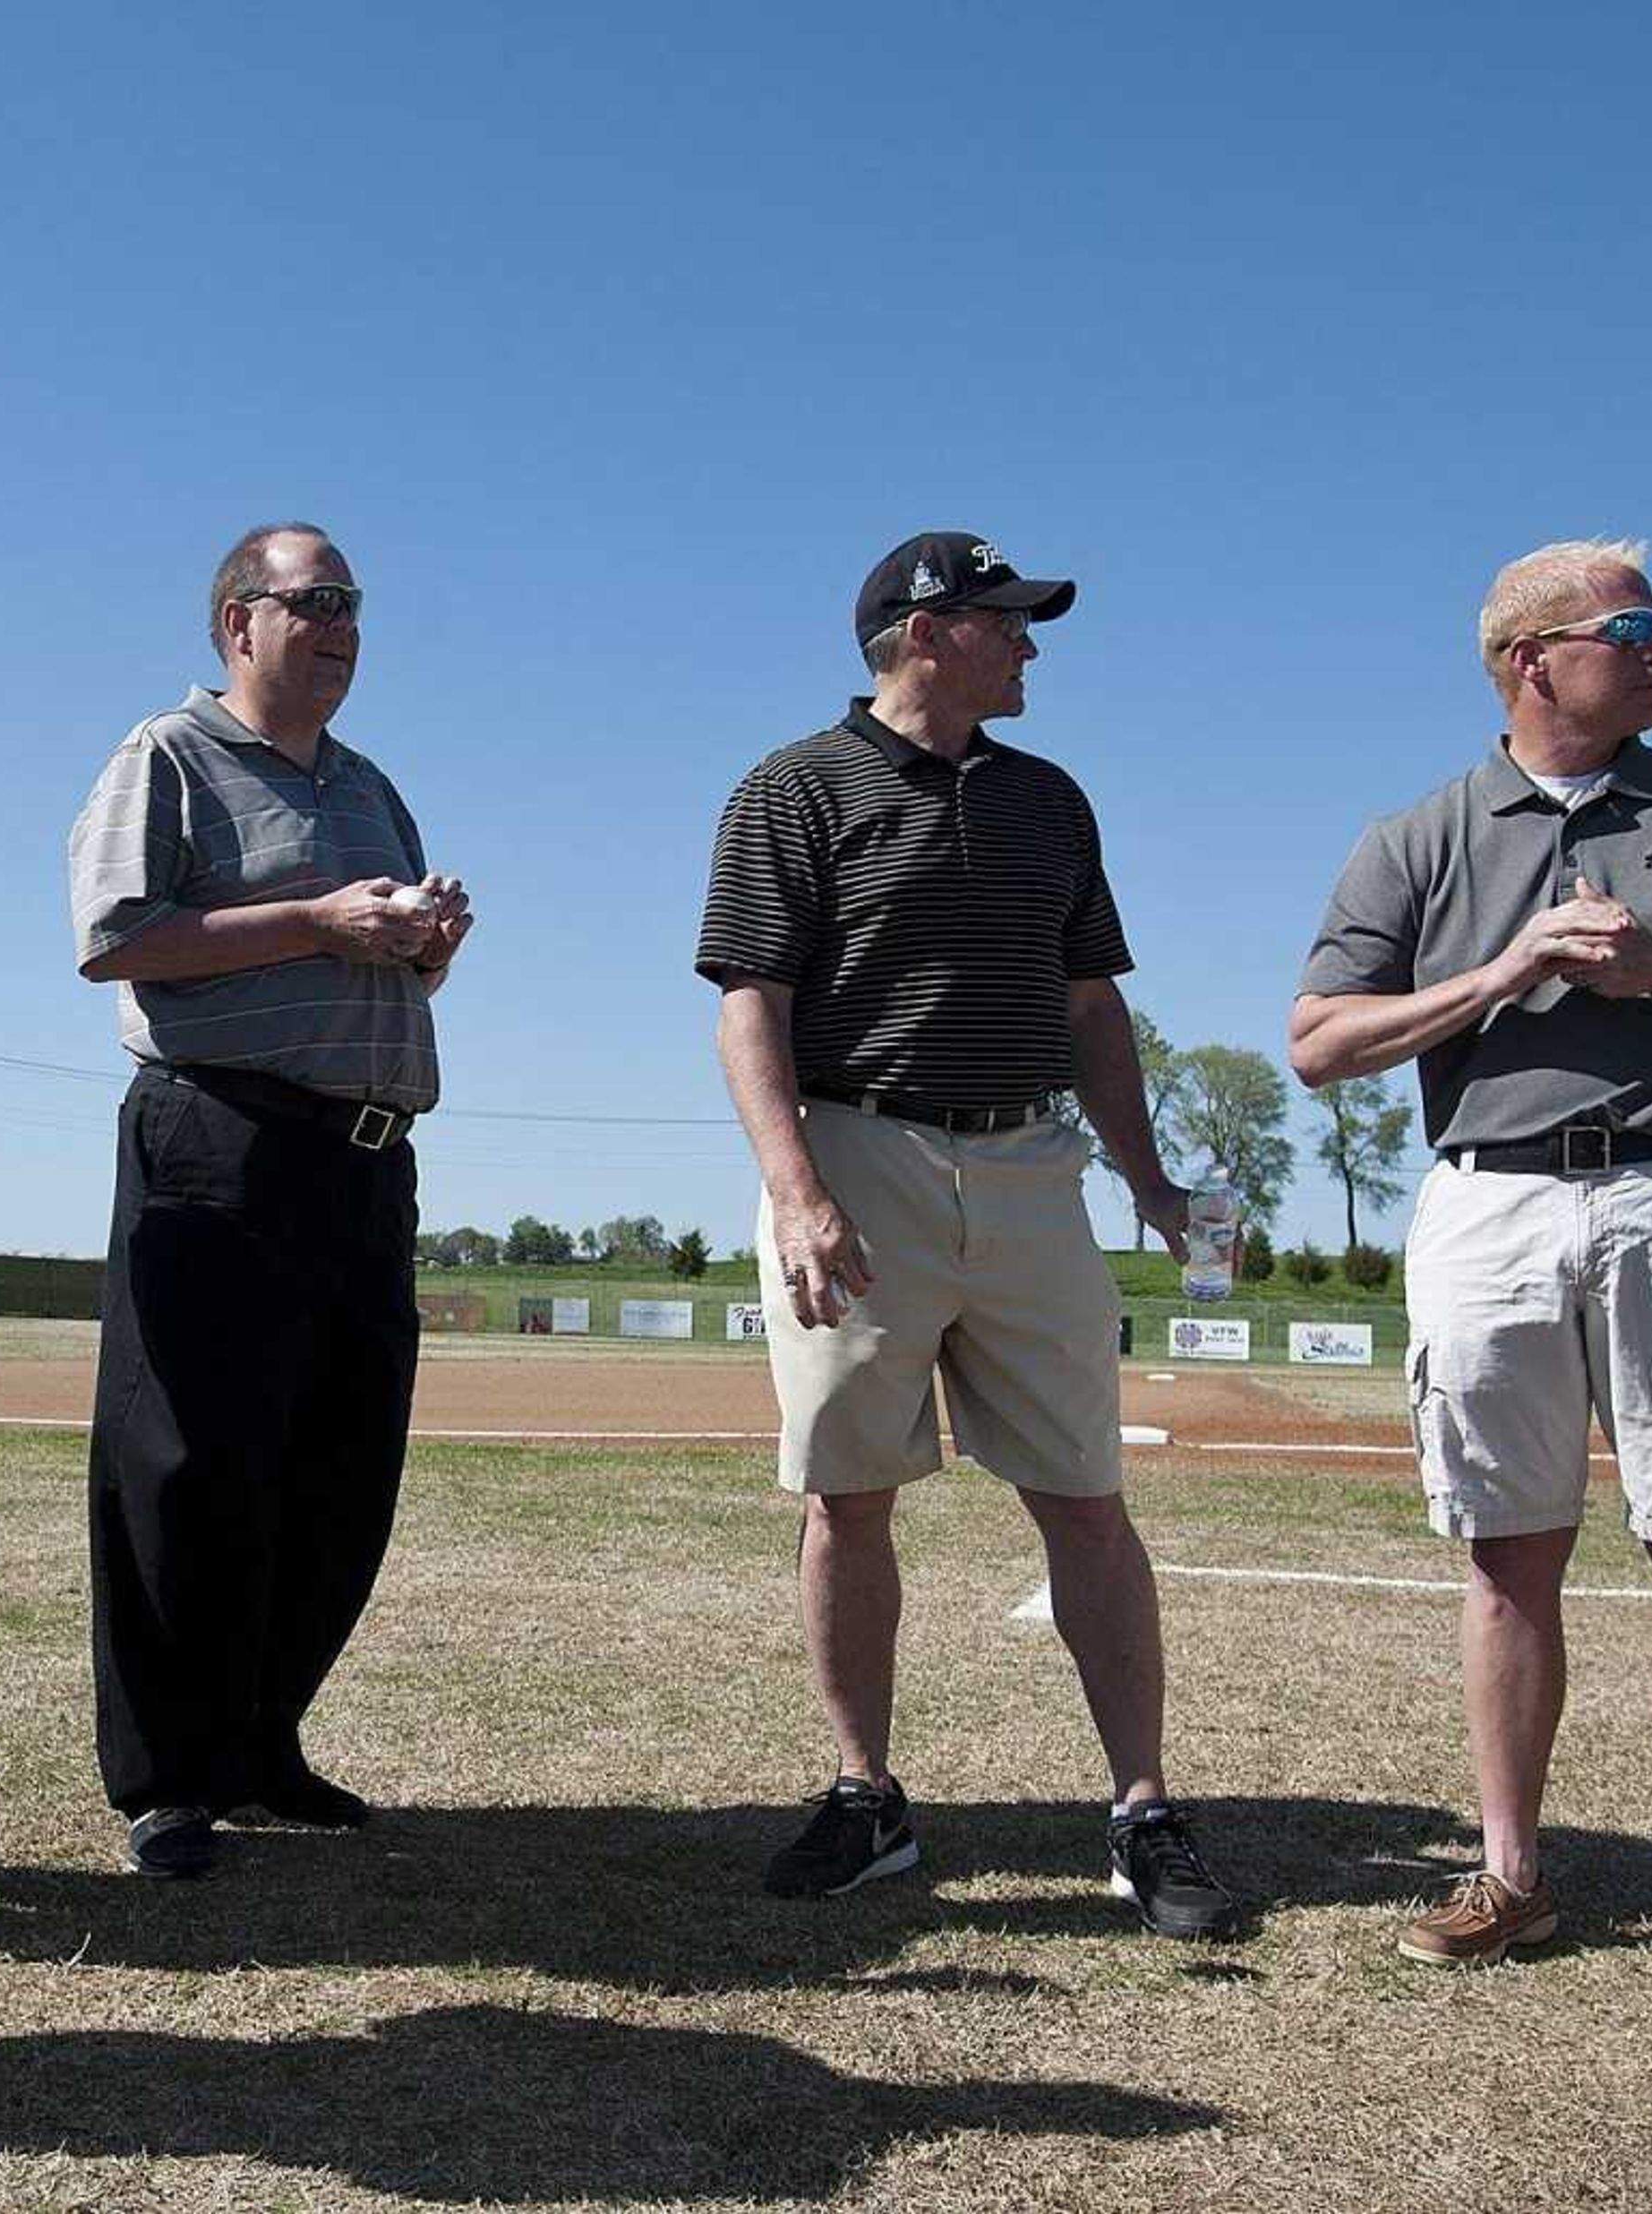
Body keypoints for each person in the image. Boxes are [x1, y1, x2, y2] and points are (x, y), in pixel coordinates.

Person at [1288, 537, 1652, 2019]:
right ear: (1529, 658)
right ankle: (1511, 1872)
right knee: (1505, 1553)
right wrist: (1502, 973)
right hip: (1488, 1207)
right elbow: (1319, 1042)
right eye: (1634, 627)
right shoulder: (1419, 837)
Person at [696, 530, 1248, 1935]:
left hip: (1030, 1165)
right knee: (849, 1494)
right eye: (1007, 622)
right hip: (855, 1155)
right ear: (924, 631)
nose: (1031, 645)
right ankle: (865, 1795)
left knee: (1083, 1495)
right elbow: (749, 1001)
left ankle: (1141, 1810)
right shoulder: (792, 788)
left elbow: (1091, 1011)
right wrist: (794, 1186)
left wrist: (1149, 1178)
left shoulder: (1051, 802)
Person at [64, 522, 468, 1879]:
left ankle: (259, 1743)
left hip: (363, 1157)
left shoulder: (368, 787)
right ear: (241, 622)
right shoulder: (167, 757)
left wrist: (421, 943)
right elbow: (116, 941)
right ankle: (169, 1780)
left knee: (338, 1467)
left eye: (356, 603)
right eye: (319, 602)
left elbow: (383, 963)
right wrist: (317, 922)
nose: (346, 625)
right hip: (221, 1140)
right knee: (185, 1464)